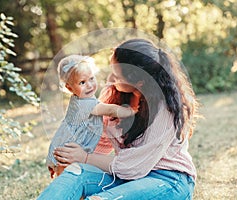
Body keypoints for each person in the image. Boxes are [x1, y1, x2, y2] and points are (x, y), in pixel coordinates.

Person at [38, 38, 199, 199]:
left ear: (140, 82)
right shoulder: (114, 93)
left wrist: (85, 157)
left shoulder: (165, 110)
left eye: (116, 75)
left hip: (167, 179)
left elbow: (134, 166)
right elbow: (100, 140)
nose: (110, 80)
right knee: (75, 174)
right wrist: (67, 160)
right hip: (125, 177)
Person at [46, 55, 137, 178]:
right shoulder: (85, 104)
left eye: (91, 78)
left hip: (65, 143)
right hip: (70, 147)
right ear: (69, 87)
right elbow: (109, 110)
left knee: (68, 176)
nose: (89, 85)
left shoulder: (80, 98)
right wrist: (130, 111)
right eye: (82, 82)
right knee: (70, 177)